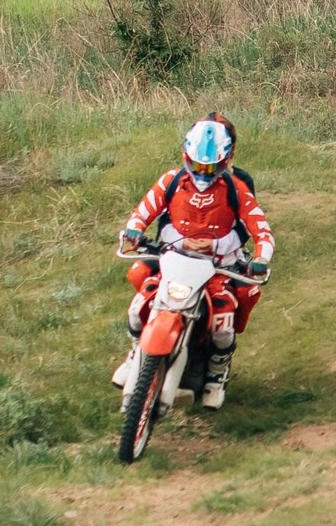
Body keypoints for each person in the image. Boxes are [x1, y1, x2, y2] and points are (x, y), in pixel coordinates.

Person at [115, 115, 273, 411]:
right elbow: (144, 210)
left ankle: (217, 374)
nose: (203, 173)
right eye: (198, 165)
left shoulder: (237, 187)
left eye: (211, 167)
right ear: (185, 156)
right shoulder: (170, 180)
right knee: (138, 307)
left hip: (217, 267)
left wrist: (262, 257)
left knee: (224, 322)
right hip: (172, 260)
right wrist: (135, 229)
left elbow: (261, 229)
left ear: (226, 161)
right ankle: (136, 352)